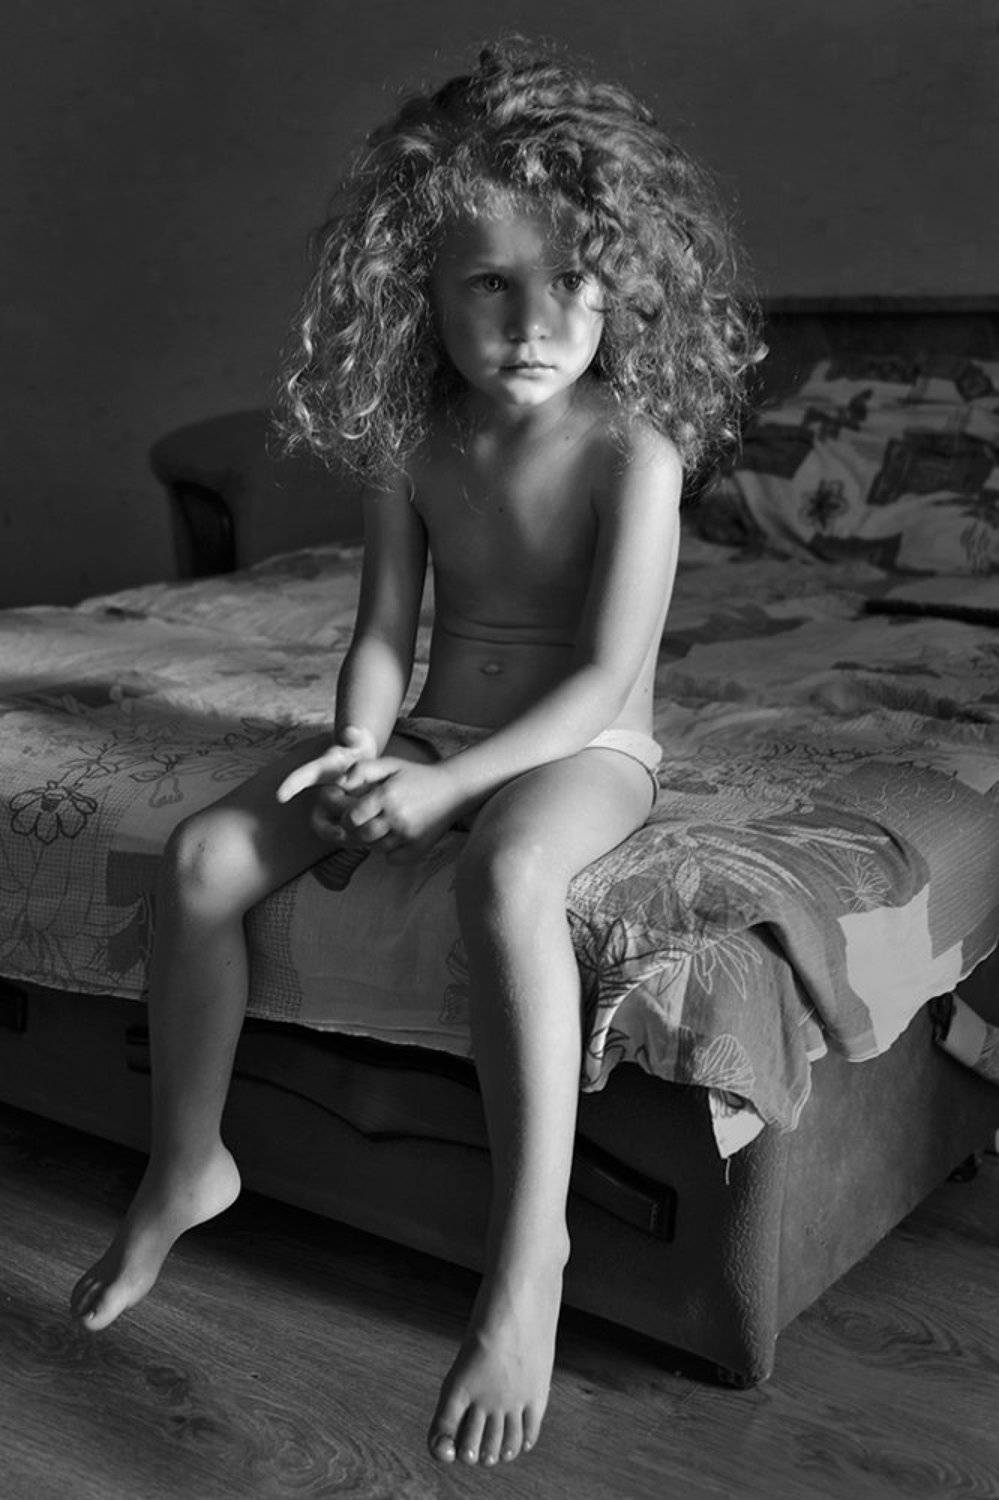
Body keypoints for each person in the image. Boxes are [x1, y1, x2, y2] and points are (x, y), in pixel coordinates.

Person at [70, 39, 759, 1467]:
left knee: (506, 879)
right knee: (202, 857)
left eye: (571, 277)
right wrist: (362, 747)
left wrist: (448, 788)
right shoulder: (417, 446)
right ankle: (187, 1162)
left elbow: (602, 677)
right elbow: (384, 632)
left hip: (585, 747)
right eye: (488, 284)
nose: (534, 319)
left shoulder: (635, 452)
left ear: (625, 284)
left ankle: (529, 1256)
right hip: (438, 729)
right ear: (419, 294)